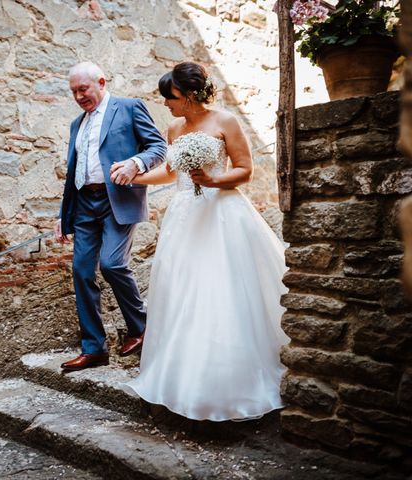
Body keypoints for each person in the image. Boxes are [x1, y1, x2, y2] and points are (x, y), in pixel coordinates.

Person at [115, 62, 289, 421]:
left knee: (222, 289)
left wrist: (213, 181)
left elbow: (245, 169)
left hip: (223, 212)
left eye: (171, 97)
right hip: (184, 216)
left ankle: (229, 379)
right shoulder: (174, 127)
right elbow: (170, 170)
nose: (166, 103)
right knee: (182, 290)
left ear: (189, 95)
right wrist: (135, 178)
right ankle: (182, 375)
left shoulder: (226, 122)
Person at [54, 62, 167, 372]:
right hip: (83, 204)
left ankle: (141, 327)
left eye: (83, 89)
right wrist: (64, 215)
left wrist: (136, 164)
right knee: (81, 271)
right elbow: (74, 171)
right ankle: (94, 348)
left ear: (101, 82)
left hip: (117, 199)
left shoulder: (128, 108)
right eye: (73, 92)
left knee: (113, 263)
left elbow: (159, 146)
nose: (78, 96)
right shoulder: (77, 124)